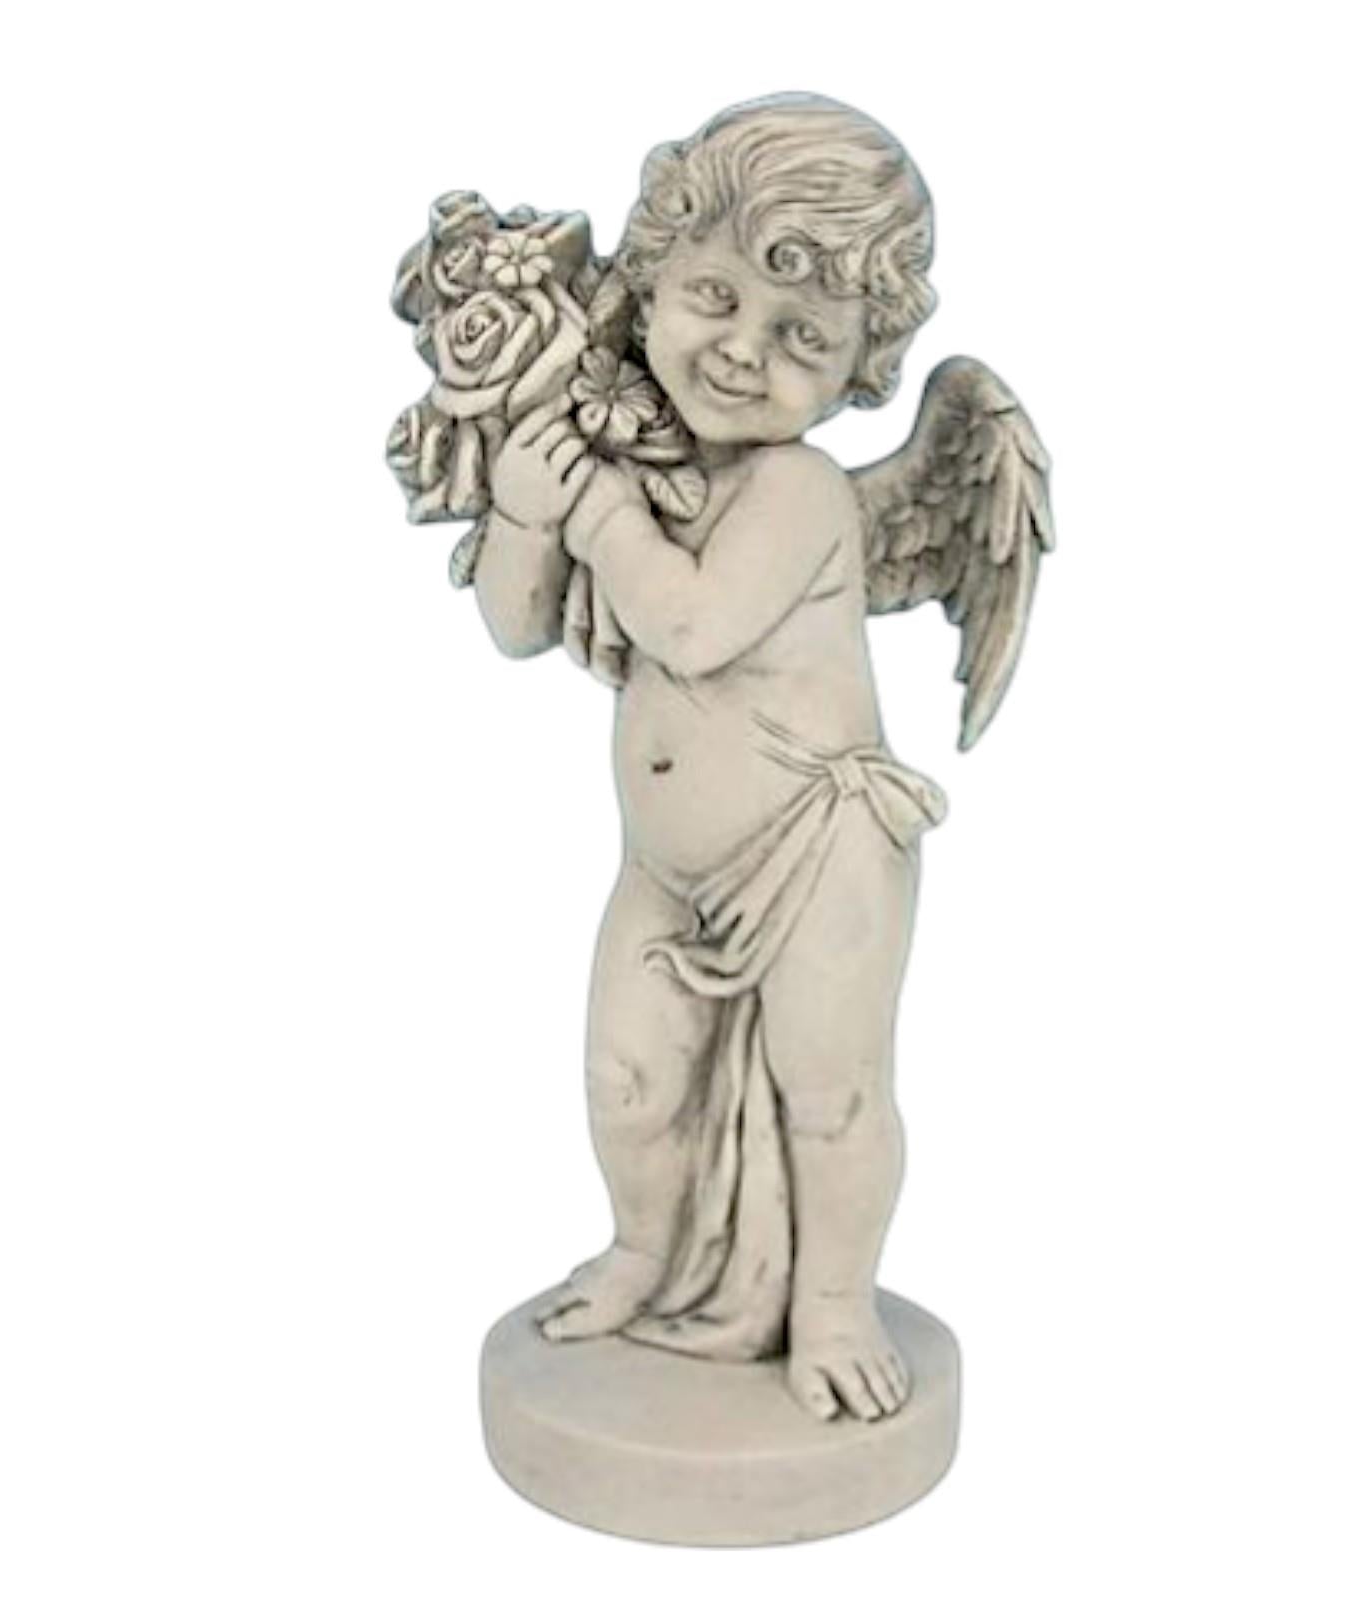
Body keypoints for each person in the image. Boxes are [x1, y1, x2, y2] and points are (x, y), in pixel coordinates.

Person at [474, 95, 944, 1423]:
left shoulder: (798, 491)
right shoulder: (639, 454)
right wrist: (524, 507)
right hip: (665, 869)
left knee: (831, 1093)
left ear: (859, 367)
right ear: (651, 281)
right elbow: (516, 625)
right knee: (627, 1079)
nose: (743, 351)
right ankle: (643, 1252)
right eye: (715, 297)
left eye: (803, 336)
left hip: (819, 853)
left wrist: (596, 505)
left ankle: (833, 1307)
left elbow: (687, 625)